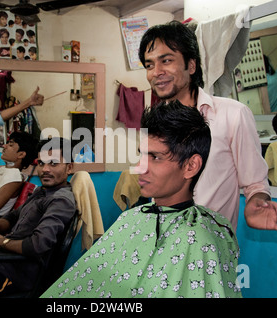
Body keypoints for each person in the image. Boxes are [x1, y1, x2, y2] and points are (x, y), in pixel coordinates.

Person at [42, 100, 241, 298]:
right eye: (142, 155)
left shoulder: (206, 236)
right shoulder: (129, 220)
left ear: (191, 166)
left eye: (155, 157)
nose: (139, 167)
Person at [138, 21, 277, 233]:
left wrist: (256, 203)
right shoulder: (155, 122)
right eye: (149, 65)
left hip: (210, 248)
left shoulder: (232, 115)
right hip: (162, 242)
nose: (156, 72)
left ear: (191, 65)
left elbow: (255, 182)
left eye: (166, 60)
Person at [0, 137, 76, 298]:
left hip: (11, 275)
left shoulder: (60, 201)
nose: (45, 169)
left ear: (69, 167)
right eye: (41, 163)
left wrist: (1, 242)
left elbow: (38, 244)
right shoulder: (42, 191)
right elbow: (13, 216)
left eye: (53, 164)